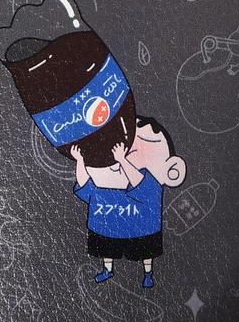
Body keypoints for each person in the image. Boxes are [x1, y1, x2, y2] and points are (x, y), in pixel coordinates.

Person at [71, 116, 186, 289]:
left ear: (171, 170)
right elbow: (84, 184)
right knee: (107, 249)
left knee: (146, 252)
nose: (123, 149)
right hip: (106, 227)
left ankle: (148, 274)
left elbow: (138, 181)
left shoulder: (152, 186)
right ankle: (108, 270)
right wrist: (80, 160)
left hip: (142, 230)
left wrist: (122, 160)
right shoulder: (104, 189)